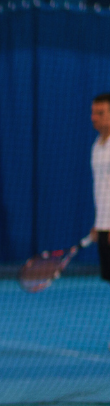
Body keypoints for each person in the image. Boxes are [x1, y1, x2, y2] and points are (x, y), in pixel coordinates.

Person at [89, 94, 110, 286]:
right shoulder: (97, 145)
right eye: (93, 113)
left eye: (100, 113)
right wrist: (100, 222)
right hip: (104, 227)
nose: (94, 117)